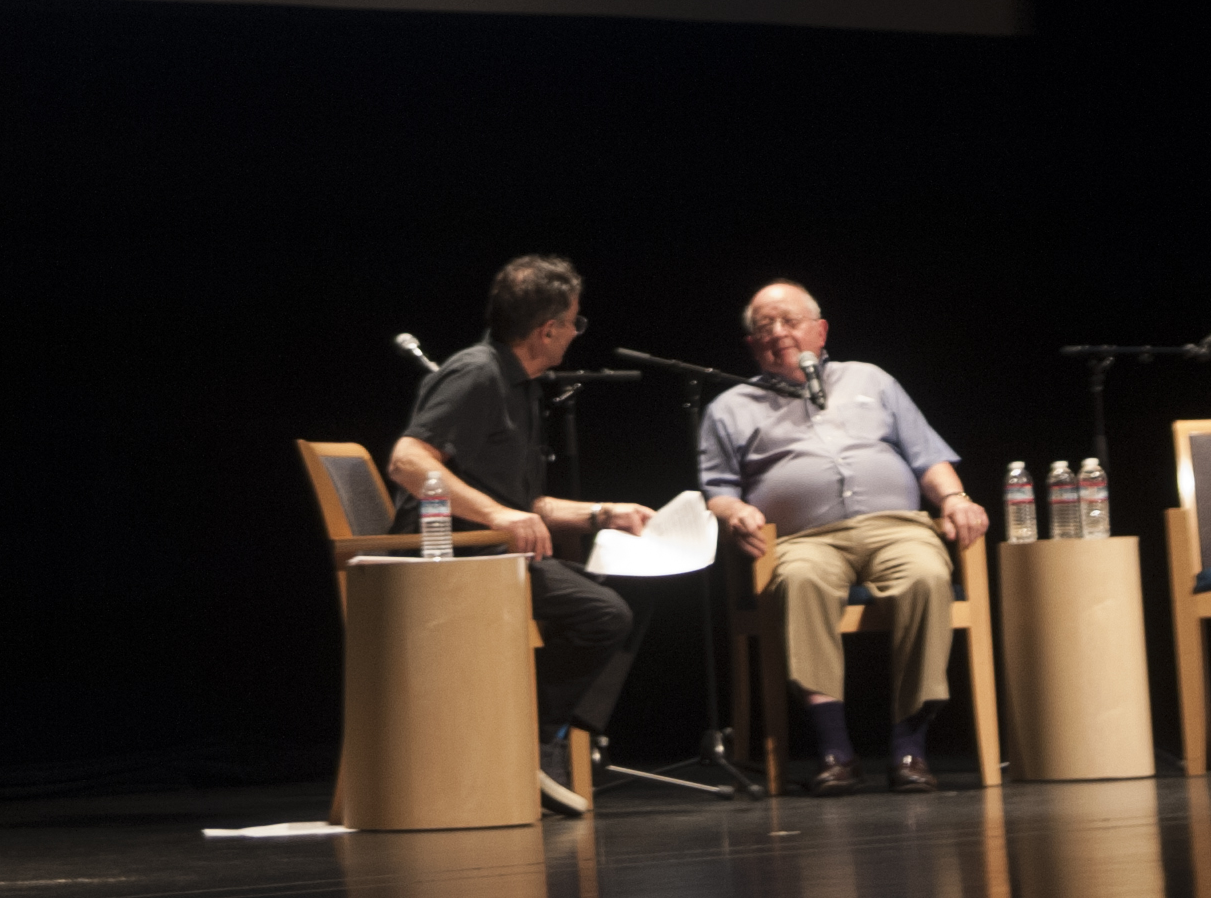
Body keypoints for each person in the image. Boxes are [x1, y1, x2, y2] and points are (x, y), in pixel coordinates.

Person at [696, 280, 990, 792]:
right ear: (751, 345)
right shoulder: (730, 407)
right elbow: (716, 491)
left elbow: (928, 457)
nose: (778, 333)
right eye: (765, 327)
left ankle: (909, 751)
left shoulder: (871, 379)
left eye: (789, 321)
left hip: (897, 529)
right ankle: (836, 751)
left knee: (925, 576)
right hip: (800, 540)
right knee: (802, 582)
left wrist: (956, 500)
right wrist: (734, 511)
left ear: (820, 329)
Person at [389, 254, 657, 814]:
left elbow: (524, 503)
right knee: (603, 614)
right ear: (548, 329)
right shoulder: (476, 373)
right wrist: (496, 518)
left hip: (493, 549)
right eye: (575, 323)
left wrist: (605, 513)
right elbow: (408, 461)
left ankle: (542, 739)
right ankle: (524, 741)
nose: (577, 334)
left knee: (639, 586)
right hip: (451, 556)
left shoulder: (521, 387)